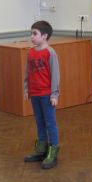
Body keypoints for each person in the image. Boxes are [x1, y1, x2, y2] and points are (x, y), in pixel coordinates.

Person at [23, 20, 60, 169]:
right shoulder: (30, 52)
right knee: (39, 122)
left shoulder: (50, 53)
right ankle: (41, 149)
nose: (31, 36)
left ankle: (53, 151)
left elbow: (55, 75)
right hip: (35, 94)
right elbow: (28, 72)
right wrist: (27, 89)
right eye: (31, 33)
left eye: (35, 33)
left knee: (50, 123)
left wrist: (54, 94)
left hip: (46, 95)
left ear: (44, 36)